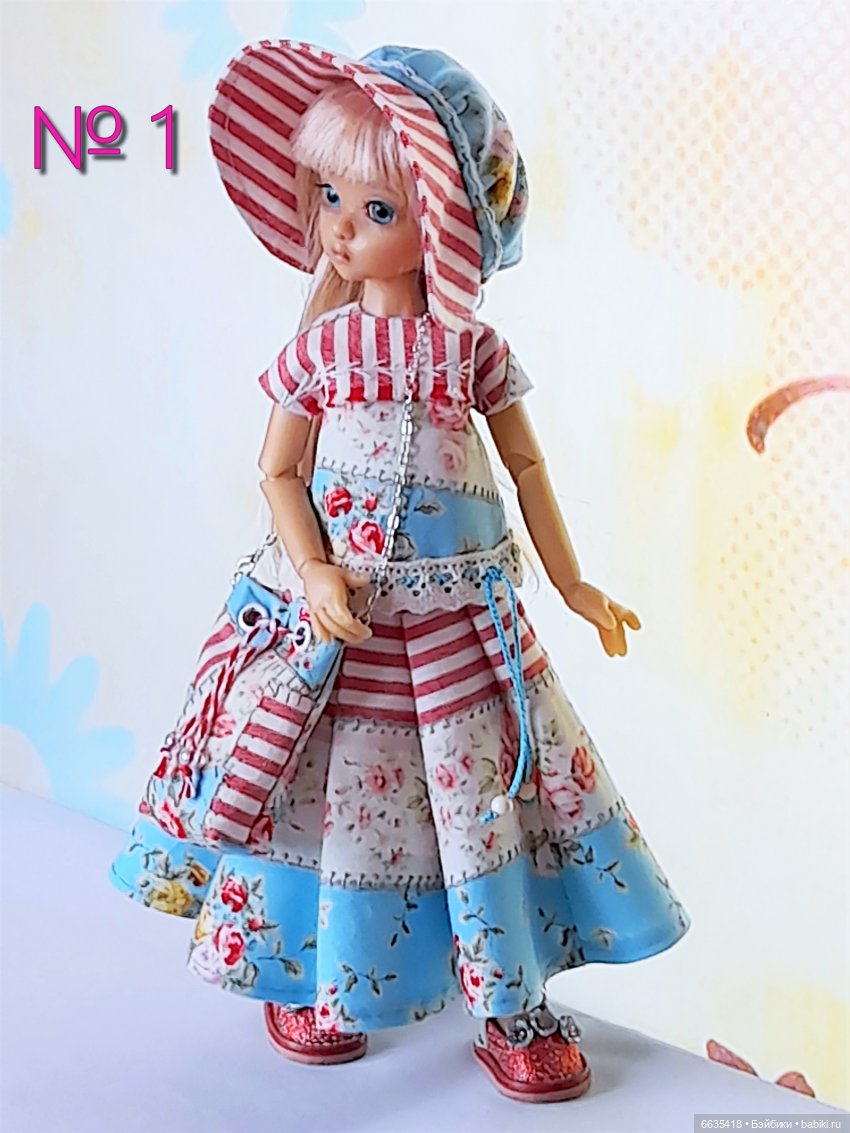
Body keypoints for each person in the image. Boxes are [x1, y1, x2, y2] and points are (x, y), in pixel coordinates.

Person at [110, 40, 691, 1104]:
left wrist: (573, 585)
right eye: (329, 196)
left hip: (459, 623)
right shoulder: (319, 352)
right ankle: (313, 969)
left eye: (375, 208)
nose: (339, 226)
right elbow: (278, 471)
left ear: (449, 223)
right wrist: (315, 572)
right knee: (324, 797)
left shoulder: (472, 352)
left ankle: (506, 994)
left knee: (477, 802)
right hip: (340, 626)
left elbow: (527, 467)